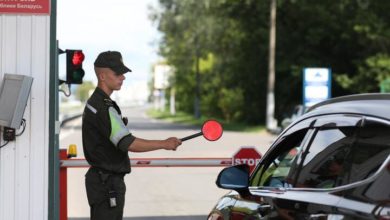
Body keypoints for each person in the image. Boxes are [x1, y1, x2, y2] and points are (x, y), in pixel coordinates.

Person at [82, 51, 182, 220]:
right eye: (117, 73)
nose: (123, 77)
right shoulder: (104, 107)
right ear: (103, 76)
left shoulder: (96, 103)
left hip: (101, 182)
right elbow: (128, 143)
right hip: (107, 185)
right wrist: (164, 143)